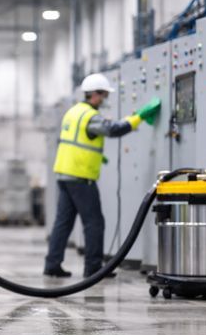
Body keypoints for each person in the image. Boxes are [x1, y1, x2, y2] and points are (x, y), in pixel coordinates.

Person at [44, 73, 161, 278]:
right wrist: (139, 116)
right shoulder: (90, 115)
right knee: (94, 222)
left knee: (63, 222)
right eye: (104, 95)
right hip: (80, 176)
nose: (105, 100)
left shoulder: (73, 112)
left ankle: (52, 265)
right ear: (95, 94)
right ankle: (93, 268)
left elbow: (75, 141)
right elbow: (114, 129)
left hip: (64, 173)